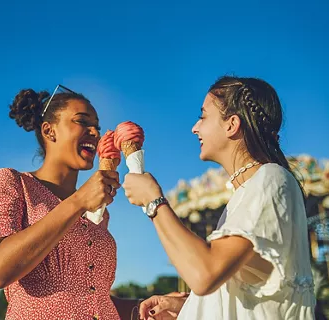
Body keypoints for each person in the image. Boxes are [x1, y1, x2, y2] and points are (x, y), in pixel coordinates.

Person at [122, 76, 316, 319]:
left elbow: (206, 273)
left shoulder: (270, 179)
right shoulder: (246, 193)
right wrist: (189, 308)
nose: (195, 127)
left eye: (203, 116)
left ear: (231, 124)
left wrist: (153, 202)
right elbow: (249, 296)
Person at [0, 85, 140, 319]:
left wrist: (144, 306)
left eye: (97, 127)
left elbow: (92, 298)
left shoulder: (97, 209)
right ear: (49, 131)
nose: (95, 132)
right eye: (82, 121)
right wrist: (78, 202)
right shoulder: (13, 183)